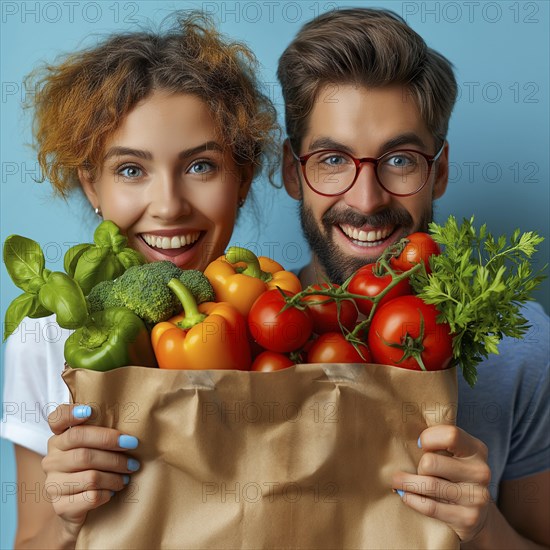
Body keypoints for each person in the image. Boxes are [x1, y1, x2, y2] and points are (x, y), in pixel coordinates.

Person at [2, 11, 278, 548]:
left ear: (241, 178)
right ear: (91, 185)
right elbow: (30, 541)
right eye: (131, 169)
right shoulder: (41, 342)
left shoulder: (278, 315)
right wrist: (66, 518)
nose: (170, 206)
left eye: (201, 166)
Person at [278, 7, 549, 549]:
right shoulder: (248, 332)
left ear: (440, 171)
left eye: (400, 159)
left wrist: (483, 527)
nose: (367, 199)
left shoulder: (521, 345)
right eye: (332, 158)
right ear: (292, 172)